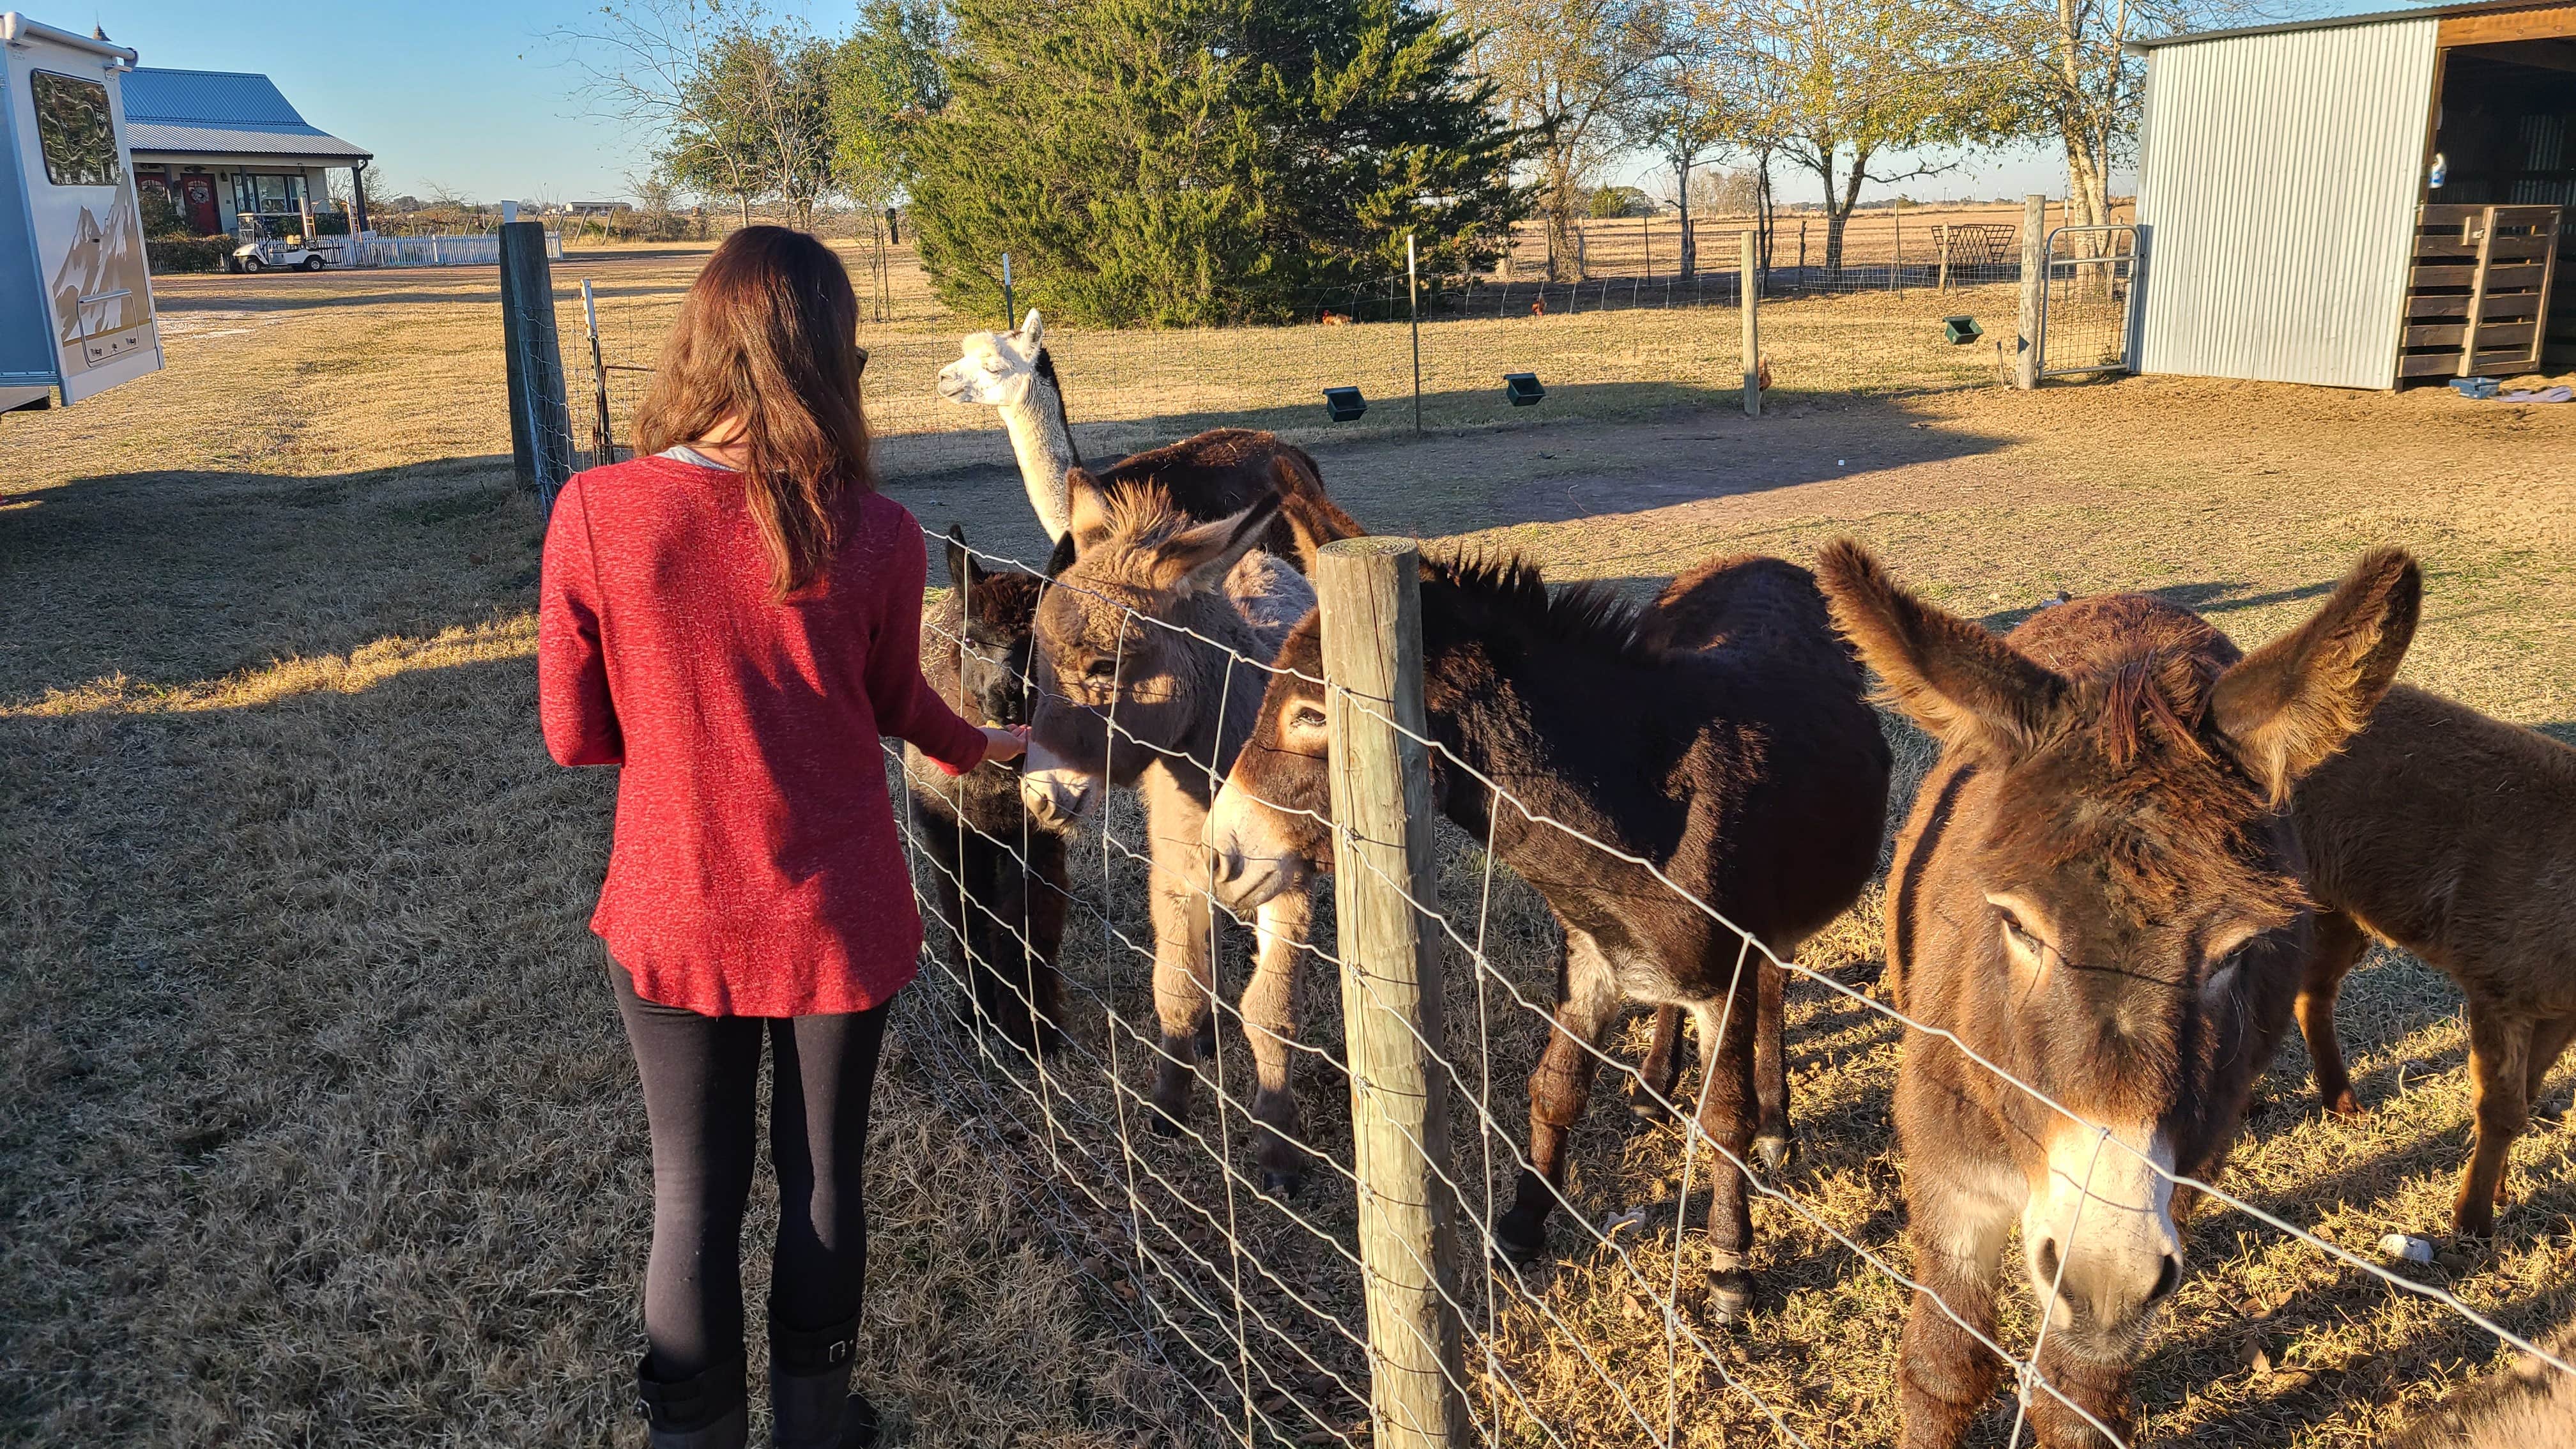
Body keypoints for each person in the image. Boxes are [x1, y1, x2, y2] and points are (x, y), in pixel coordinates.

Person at [538, 226, 1022, 1449]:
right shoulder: (883, 532)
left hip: (673, 902)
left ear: (701, 344)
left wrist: (683, 730)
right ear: (829, 360)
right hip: (839, 913)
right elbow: (896, 703)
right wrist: (977, 745)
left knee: (692, 1196)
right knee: (824, 1181)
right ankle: (815, 1426)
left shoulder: (597, 512)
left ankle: (693, 1435)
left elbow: (575, 736)